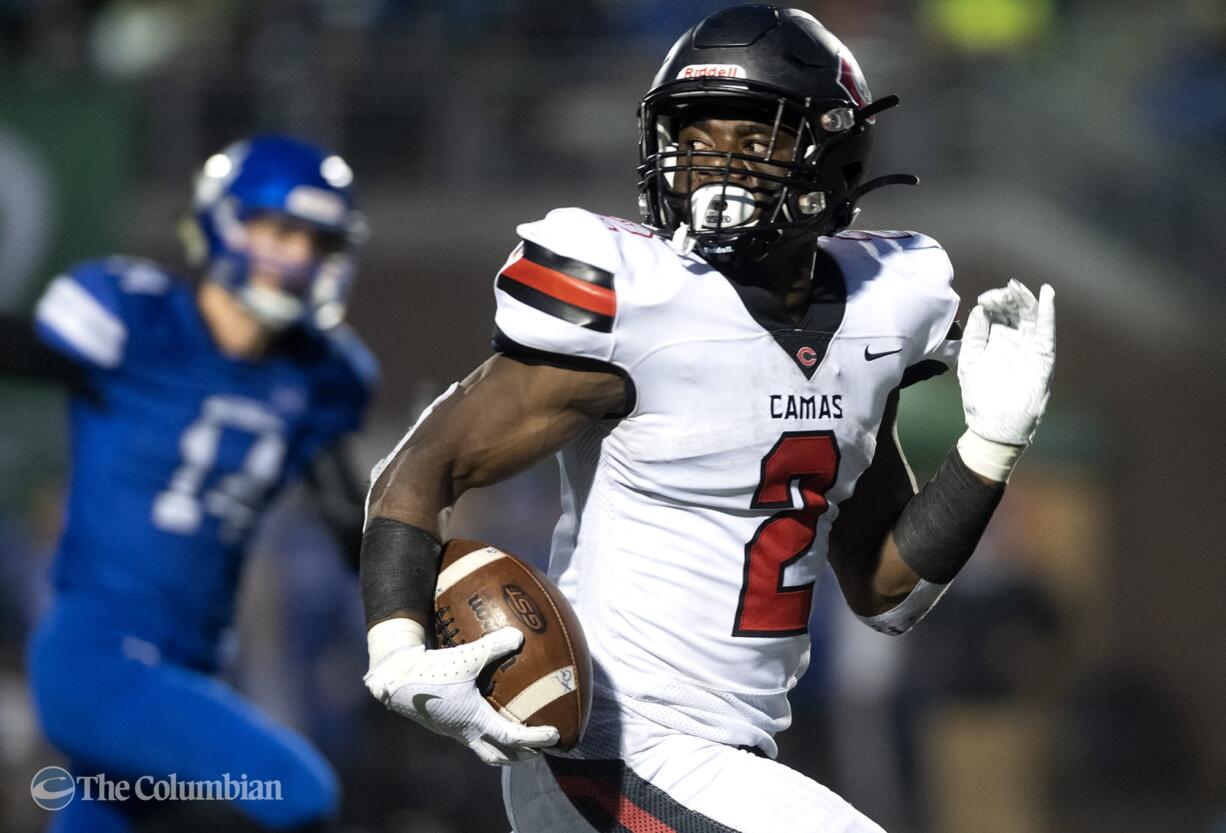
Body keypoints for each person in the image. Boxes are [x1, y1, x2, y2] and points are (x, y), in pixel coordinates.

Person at [360, 6, 1055, 833]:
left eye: (753, 140)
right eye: (694, 140)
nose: (714, 166)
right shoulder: (638, 302)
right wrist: (397, 651)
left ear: (834, 152)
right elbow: (422, 467)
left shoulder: (883, 311)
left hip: (725, 762)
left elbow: (884, 588)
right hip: (614, 748)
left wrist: (990, 446)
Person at [1, 135, 377, 832]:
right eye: (280, 229)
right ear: (224, 222)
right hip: (98, 658)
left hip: (194, 668)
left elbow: (348, 521)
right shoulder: (136, 319)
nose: (297, 256)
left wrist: (427, 614)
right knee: (296, 791)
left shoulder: (322, 376)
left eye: (316, 239)